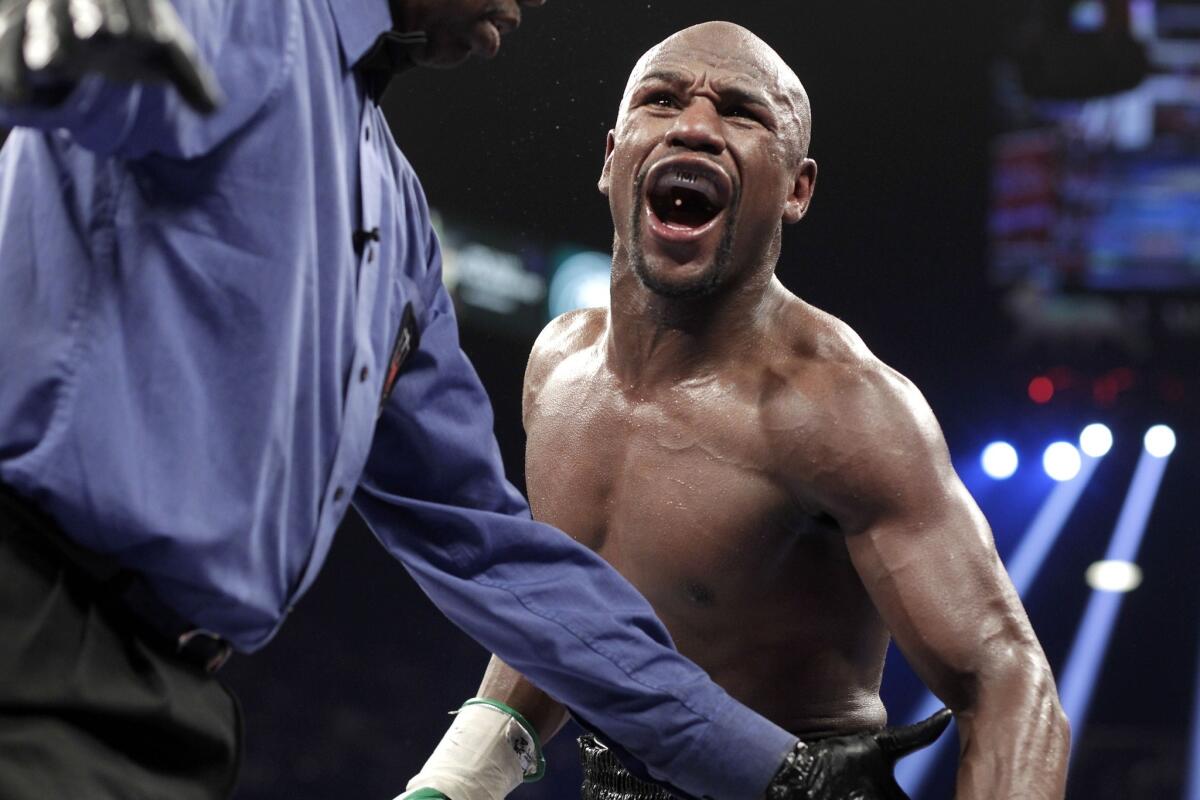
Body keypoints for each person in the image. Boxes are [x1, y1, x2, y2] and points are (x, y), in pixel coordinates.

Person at [0, 3, 949, 800]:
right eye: (663, 99)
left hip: (169, 698)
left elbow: (483, 544)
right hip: (31, 626)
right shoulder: (255, 16)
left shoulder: (397, 211)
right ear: (612, 153)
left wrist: (782, 775)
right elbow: (82, 37)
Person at [401, 21, 1071, 800]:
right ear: (612, 155)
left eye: (742, 113)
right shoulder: (559, 367)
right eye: (661, 99)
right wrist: (451, 784)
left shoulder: (841, 408)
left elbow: (1007, 680)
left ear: (796, 188)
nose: (694, 127)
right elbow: (562, 621)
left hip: (806, 784)